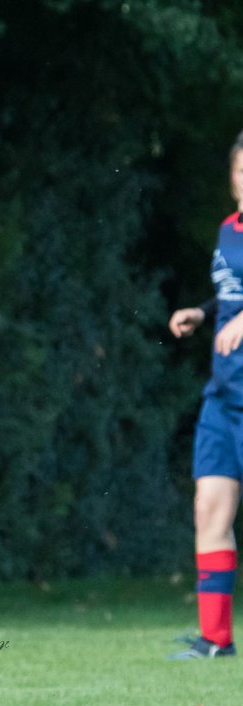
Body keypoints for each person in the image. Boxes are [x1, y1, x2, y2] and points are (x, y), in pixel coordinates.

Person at [165, 129, 243, 660]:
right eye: (241, 170)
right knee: (209, 510)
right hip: (224, 396)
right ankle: (215, 638)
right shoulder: (227, 231)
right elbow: (230, 297)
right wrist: (204, 313)